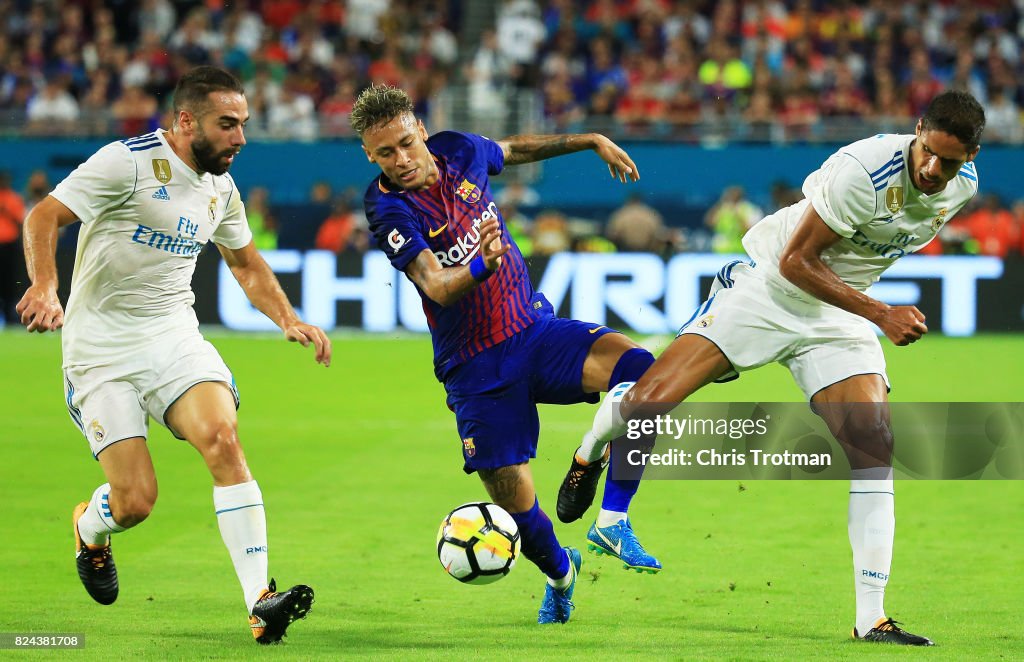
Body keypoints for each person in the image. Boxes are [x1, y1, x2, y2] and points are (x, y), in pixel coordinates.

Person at [562, 89, 985, 645]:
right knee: (647, 403)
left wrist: (866, 308)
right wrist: (882, 313)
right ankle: (589, 451)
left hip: (838, 313)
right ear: (917, 129)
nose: (933, 170)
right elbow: (797, 260)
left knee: (873, 450)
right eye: (928, 151)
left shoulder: (962, 190)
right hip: (771, 290)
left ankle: (870, 619)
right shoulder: (863, 171)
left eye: (950, 162)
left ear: (970, 159)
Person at [15, 66, 331, 645]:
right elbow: (44, 216)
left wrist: (288, 318)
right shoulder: (126, 162)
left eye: (244, 124)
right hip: (100, 349)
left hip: (172, 338)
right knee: (135, 503)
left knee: (223, 438)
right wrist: (44, 286)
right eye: (227, 124)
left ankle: (260, 601)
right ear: (186, 121)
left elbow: (245, 262)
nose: (240, 137)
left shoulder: (221, 188)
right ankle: (91, 529)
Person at [350, 84, 660, 625]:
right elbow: (436, 284)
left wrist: (590, 139)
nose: (399, 160)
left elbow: (514, 150)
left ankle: (605, 499)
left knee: (645, 375)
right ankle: (562, 574)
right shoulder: (388, 207)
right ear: (369, 156)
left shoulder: (462, 150)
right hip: (476, 369)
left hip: (534, 331)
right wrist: (480, 266)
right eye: (384, 153)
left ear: (421, 130)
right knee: (518, 506)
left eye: (405, 143)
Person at [0, 170, 26, 324]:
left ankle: (10, 319)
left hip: (9, 247)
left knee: (10, 284)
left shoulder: (14, 198)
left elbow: (21, 221)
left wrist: (6, 211)